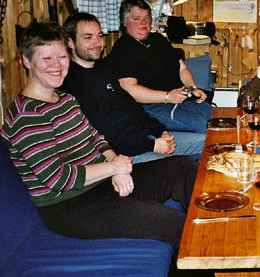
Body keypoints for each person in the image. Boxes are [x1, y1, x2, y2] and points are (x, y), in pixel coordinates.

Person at [1, 22, 198, 248]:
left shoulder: (65, 99)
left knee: (183, 167)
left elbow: (97, 139)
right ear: (26, 61)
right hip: (71, 208)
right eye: (46, 58)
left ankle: (221, 231)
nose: (57, 65)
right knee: (179, 226)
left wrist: (116, 165)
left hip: (102, 184)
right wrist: (114, 168)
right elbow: (58, 178)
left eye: (62, 57)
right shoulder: (27, 116)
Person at [61, 12, 205, 164]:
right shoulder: (71, 83)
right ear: (70, 42)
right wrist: (152, 145)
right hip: (122, 154)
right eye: (88, 37)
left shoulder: (104, 69)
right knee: (181, 166)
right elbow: (105, 134)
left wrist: (161, 132)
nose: (97, 43)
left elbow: (133, 108)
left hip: (145, 138)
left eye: (100, 36)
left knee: (207, 142)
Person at [106, 0, 212, 133]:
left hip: (179, 99)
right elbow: (129, 89)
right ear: (124, 22)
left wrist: (192, 88)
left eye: (147, 18)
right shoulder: (123, 49)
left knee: (217, 116)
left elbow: (182, 68)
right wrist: (167, 97)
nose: (143, 23)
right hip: (150, 107)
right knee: (202, 124)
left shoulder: (158, 39)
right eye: (137, 18)